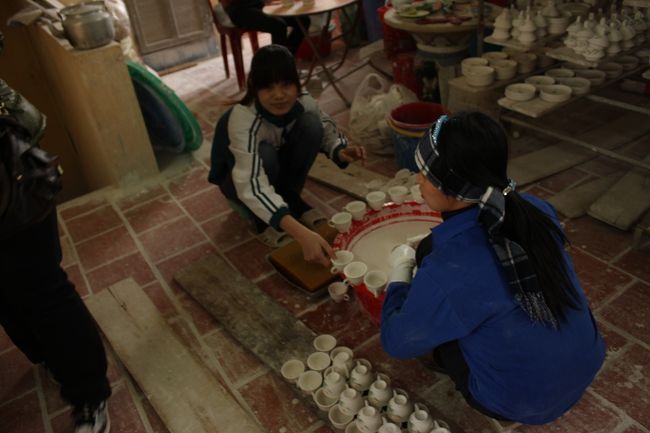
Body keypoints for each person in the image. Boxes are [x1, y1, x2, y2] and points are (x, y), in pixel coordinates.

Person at [380, 112, 605, 425]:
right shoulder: (535, 209)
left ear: (451, 186)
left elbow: (396, 341)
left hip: (520, 402)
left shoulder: (449, 268)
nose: (418, 180)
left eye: (426, 174)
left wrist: (400, 272)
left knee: (439, 328)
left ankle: (484, 383)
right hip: (586, 363)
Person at [0, 37, 112, 432]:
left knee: (43, 290)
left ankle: (89, 394)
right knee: (6, 297)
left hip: (10, 184)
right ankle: (49, 356)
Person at [208, 44, 366, 266]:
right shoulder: (242, 119)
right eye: (268, 88)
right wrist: (302, 235)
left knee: (312, 125)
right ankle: (262, 220)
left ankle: (290, 197)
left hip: (275, 169)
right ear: (255, 88)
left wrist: (339, 149)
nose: (279, 95)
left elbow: (325, 126)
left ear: (297, 84)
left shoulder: (303, 101)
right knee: (265, 153)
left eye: (286, 85)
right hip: (236, 180)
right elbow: (251, 184)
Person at [222, 0, 309, 54]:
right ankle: (278, 67)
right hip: (239, 10)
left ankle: (287, 56)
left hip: (259, 5)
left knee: (303, 19)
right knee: (278, 25)